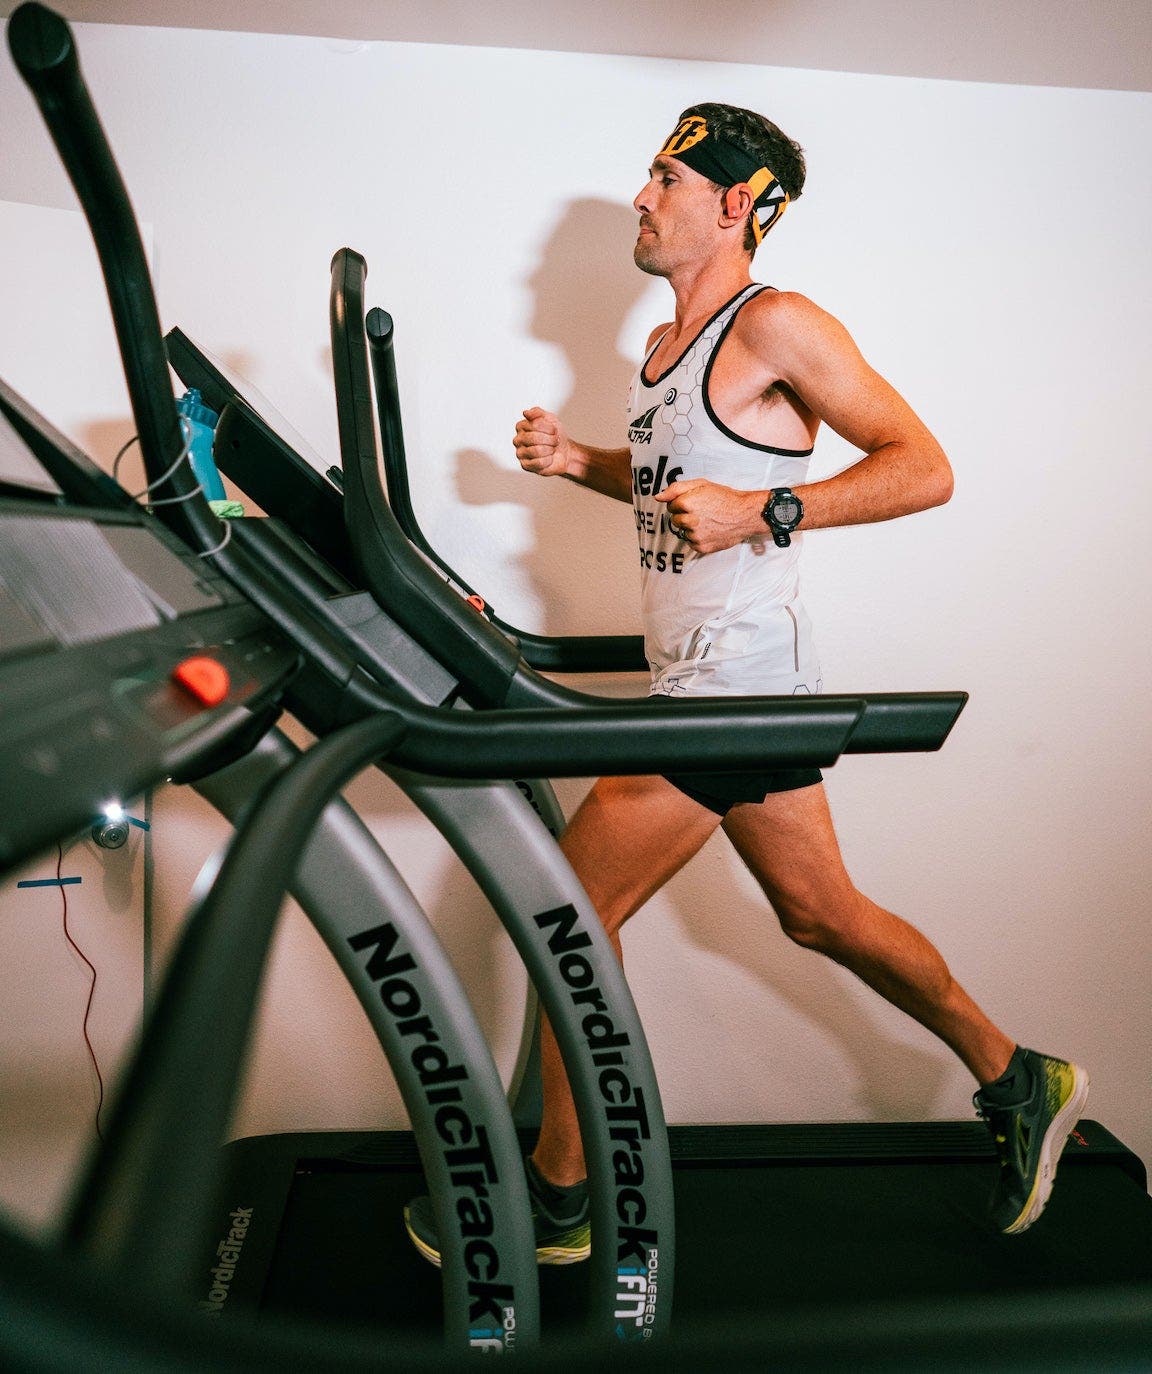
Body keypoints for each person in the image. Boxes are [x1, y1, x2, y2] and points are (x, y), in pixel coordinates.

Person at [405, 101, 1088, 1267]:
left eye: (663, 178)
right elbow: (684, 489)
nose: (640, 196)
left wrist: (766, 510)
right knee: (821, 914)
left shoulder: (777, 323)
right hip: (711, 686)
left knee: (565, 906)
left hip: (734, 692)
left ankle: (565, 1191)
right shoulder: (666, 354)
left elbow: (924, 469)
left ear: (733, 203)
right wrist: (580, 464)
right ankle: (1018, 1074)